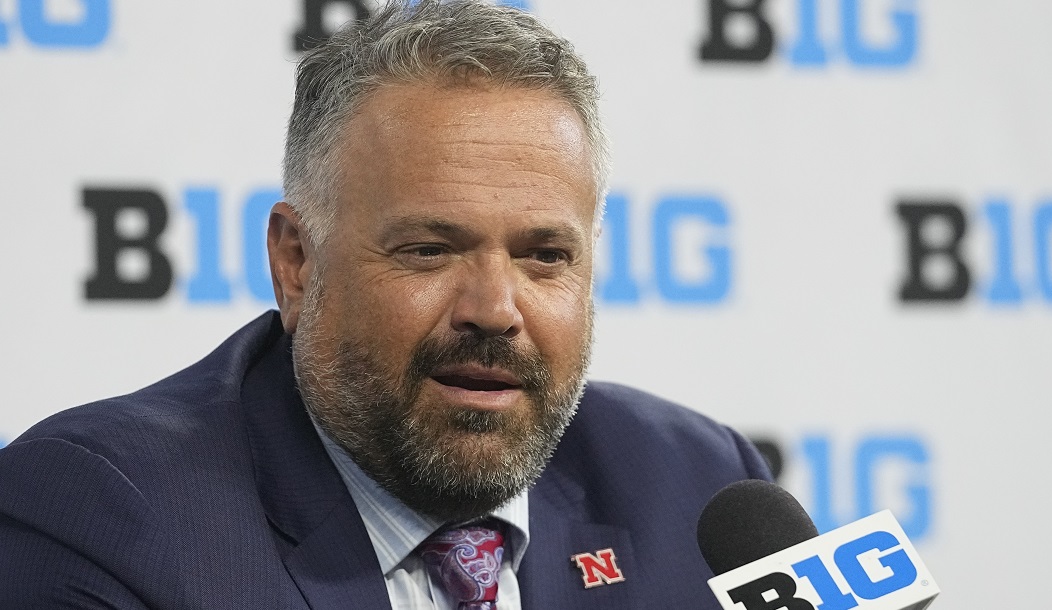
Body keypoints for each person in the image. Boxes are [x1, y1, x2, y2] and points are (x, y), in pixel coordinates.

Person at [0, 1, 770, 607]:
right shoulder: (103, 516)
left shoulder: (700, 488)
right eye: (429, 250)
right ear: (296, 262)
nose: (495, 308)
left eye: (545, 256)